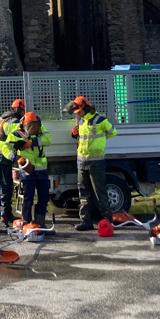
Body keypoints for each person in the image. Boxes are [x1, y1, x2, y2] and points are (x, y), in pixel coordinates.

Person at [66, 95, 117, 231]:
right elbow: (83, 138)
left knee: (99, 192)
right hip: (81, 160)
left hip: (96, 161)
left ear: (86, 108)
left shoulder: (100, 120)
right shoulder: (81, 121)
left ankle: (107, 222)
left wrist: (99, 143)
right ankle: (86, 222)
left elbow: (113, 132)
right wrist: (75, 134)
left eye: (79, 111)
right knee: (83, 192)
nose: (77, 114)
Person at [3, 111, 50, 228]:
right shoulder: (17, 134)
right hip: (27, 170)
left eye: (35, 126)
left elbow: (48, 140)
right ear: (24, 125)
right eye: (31, 126)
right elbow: (5, 148)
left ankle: (40, 222)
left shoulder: (41, 130)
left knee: (44, 197)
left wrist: (32, 142)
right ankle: (26, 222)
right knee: (28, 197)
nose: (34, 129)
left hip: (41, 170)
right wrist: (16, 158)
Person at [0, 98, 25, 226]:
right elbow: (15, 135)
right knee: (6, 186)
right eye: (22, 110)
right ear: (20, 110)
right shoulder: (14, 121)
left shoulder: (1, 118)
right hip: (2, 156)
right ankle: (6, 215)